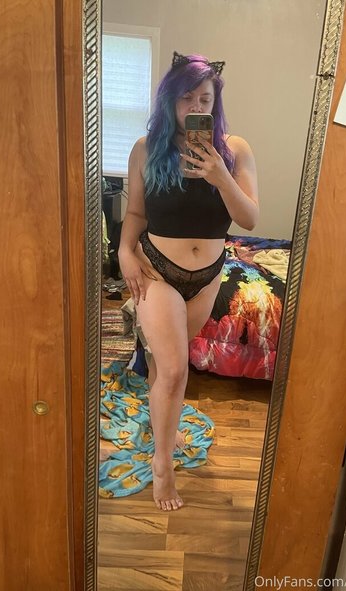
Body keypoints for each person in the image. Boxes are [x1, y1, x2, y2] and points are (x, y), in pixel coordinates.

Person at [118, 51, 259, 511]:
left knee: (167, 364)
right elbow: (136, 213)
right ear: (170, 101)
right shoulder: (146, 149)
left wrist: (221, 176)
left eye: (205, 99)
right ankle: (163, 465)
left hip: (207, 277)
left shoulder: (235, 150)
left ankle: (165, 421)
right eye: (186, 98)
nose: (196, 107)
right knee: (177, 369)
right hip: (157, 270)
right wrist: (123, 252)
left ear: (215, 103)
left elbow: (249, 218)